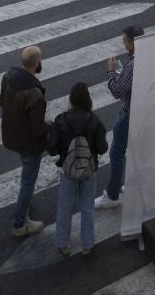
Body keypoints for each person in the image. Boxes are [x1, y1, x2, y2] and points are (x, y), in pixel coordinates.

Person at [47, 81, 110, 257]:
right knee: (87, 208)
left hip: (67, 171)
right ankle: (87, 244)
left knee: (65, 207)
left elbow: (52, 149)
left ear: (71, 100)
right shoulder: (95, 121)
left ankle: (63, 243)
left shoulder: (61, 120)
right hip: (89, 171)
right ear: (88, 100)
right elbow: (103, 148)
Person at [0, 47, 49, 238]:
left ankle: (25, 204)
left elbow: (3, 102)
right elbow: (38, 130)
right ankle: (19, 223)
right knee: (28, 181)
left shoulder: (8, 76)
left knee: (26, 172)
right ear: (37, 63)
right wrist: (50, 127)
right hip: (28, 144)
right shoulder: (35, 94)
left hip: (11, 135)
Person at [100, 26, 141, 209]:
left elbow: (117, 90)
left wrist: (110, 72)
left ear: (132, 41)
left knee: (117, 153)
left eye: (125, 40)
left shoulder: (134, 64)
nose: (124, 43)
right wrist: (121, 74)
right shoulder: (150, 56)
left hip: (129, 113)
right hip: (145, 111)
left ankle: (112, 194)